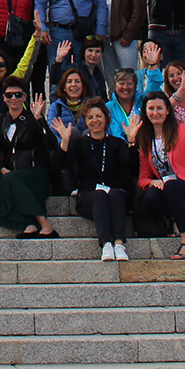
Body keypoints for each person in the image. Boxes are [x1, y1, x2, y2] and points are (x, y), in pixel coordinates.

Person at [130, 89, 185, 260]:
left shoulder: (183, 130)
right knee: (150, 196)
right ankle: (173, 217)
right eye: (151, 109)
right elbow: (143, 178)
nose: (155, 113)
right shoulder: (145, 140)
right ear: (145, 112)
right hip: (166, 191)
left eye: (159, 108)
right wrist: (151, 183)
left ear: (168, 110)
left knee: (171, 185)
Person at [57, 97, 133, 261]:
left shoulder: (117, 143)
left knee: (115, 194)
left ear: (106, 118)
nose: (95, 121)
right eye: (90, 117)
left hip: (115, 195)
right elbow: (62, 164)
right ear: (85, 121)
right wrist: (64, 142)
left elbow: (130, 167)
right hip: (89, 196)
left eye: (98, 116)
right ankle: (106, 244)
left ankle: (119, 244)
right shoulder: (79, 143)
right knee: (99, 195)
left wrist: (132, 141)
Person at [0, 86, 60, 239]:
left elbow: (51, 144)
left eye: (18, 95)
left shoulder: (31, 118)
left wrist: (39, 119)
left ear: (24, 97)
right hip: (12, 173)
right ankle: (27, 223)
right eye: (9, 95)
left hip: (35, 172)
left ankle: (45, 225)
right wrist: (1, 168)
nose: (14, 98)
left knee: (9, 179)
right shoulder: (1, 121)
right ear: (4, 98)